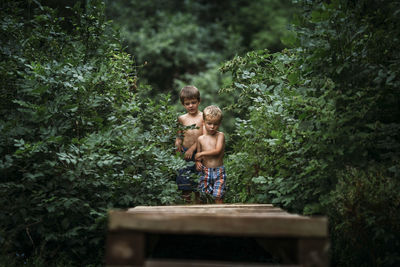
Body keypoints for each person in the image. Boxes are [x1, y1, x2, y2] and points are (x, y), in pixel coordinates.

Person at [175, 85, 203, 203]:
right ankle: (186, 206)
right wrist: (177, 144)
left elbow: (204, 136)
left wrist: (192, 148)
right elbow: (179, 134)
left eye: (193, 102)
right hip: (184, 153)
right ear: (183, 104)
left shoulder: (203, 117)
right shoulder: (182, 118)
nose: (191, 106)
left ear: (199, 101)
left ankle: (200, 206)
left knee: (199, 185)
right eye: (187, 103)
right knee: (184, 183)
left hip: (200, 152)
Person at [195, 105, 226, 204]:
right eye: (209, 123)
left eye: (215, 124)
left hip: (218, 171)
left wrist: (201, 154)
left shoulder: (220, 135)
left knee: (218, 196)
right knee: (203, 196)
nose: (212, 127)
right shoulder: (200, 139)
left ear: (220, 124)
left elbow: (217, 151)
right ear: (203, 122)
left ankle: (221, 217)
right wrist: (197, 162)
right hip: (205, 171)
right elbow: (199, 156)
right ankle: (203, 217)